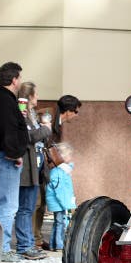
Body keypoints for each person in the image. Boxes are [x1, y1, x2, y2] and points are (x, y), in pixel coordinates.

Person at [0, 62, 30, 263]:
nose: (19, 81)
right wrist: (15, 154)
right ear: (14, 79)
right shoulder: (5, 100)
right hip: (3, 158)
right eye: (19, 78)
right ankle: (2, 249)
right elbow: (9, 130)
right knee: (8, 206)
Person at [34, 94, 81, 250]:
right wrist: (58, 164)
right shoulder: (49, 117)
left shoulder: (57, 122)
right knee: (37, 203)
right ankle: (35, 239)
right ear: (68, 111)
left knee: (41, 205)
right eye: (76, 112)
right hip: (38, 165)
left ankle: (38, 239)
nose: (76, 116)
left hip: (46, 167)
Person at [14, 82, 52, 260]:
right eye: (35, 95)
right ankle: (24, 245)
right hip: (27, 166)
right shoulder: (21, 113)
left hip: (36, 166)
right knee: (25, 208)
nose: (37, 98)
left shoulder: (32, 115)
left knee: (29, 207)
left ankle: (28, 243)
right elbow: (29, 136)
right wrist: (46, 129)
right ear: (29, 96)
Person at [45, 142, 75, 251]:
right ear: (61, 156)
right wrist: (65, 203)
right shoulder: (59, 172)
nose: (71, 158)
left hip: (61, 201)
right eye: (69, 155)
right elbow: (60, 191)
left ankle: (54, 244)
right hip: (60, 202)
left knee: (58, 223)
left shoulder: (64, 170)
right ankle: (59, 245)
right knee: (61, 223)